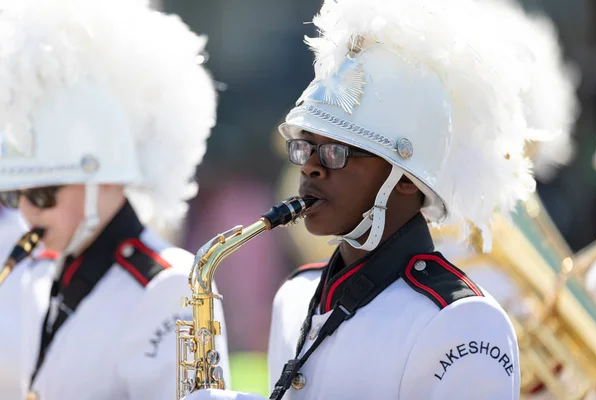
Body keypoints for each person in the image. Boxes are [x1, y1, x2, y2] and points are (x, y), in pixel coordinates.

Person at [185, 0, 541, 399]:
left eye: (337, 152)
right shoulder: (296, 295)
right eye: (305, 148)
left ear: (406, 180)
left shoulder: (462, 321)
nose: (310, 169)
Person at [0, 0, 230, 399]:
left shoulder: (171, 285)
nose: (25, 211)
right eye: (14, 194)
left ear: (105, 180)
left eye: (41, 193)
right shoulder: (37, 274)